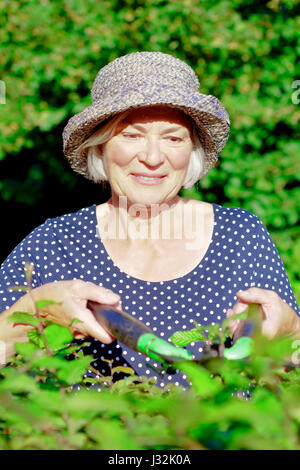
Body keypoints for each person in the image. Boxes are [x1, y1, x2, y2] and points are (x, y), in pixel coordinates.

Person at [0, 51, 299, 389]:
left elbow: (288, 372)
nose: (153, 157)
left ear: (191, 151)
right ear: (100, 146)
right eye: (131, 135)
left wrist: (290, 334)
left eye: (173, 138)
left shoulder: (240, 236)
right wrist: (35, 309)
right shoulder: (55, 244)